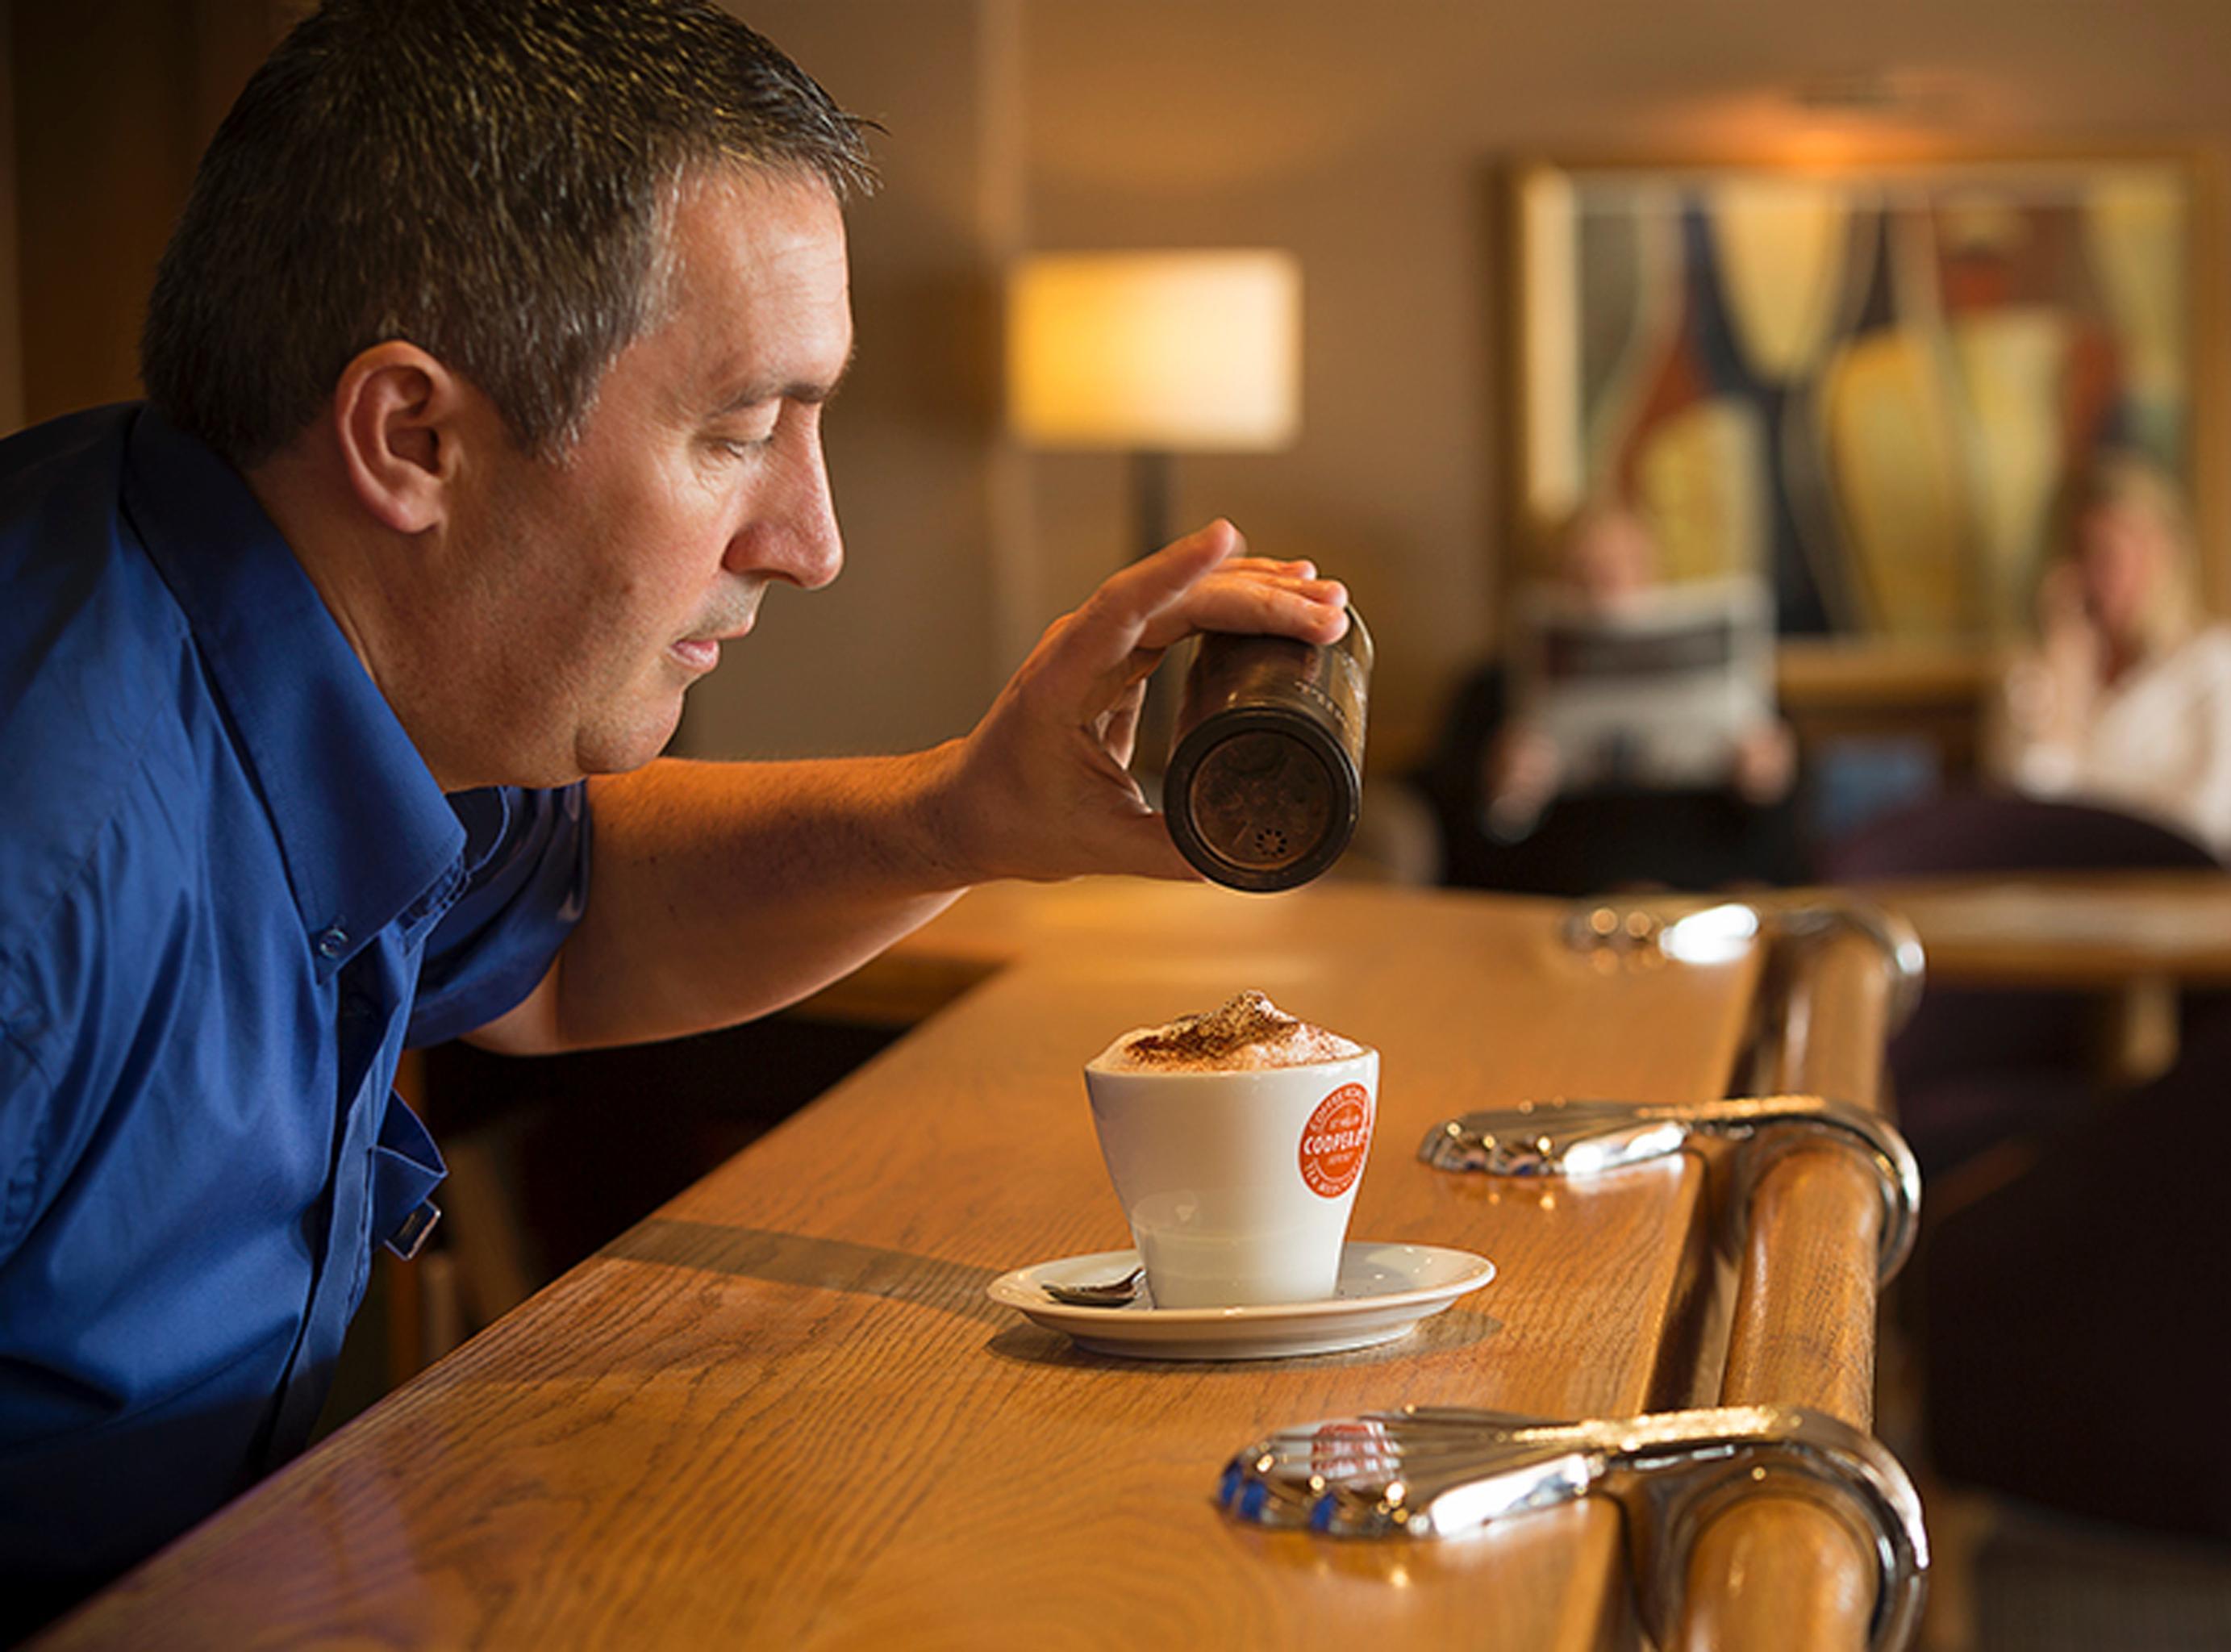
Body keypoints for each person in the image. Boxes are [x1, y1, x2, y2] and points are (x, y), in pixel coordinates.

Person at [0, 0, 1349, 1628]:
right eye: (736, 432)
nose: (809, 539)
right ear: (412, 436)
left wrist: (971, 812)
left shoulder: (278, 647)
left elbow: (571, 934)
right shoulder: (42, 874)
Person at [1412, 504, 1805, 897]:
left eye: (1628, 567)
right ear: (1552, 581)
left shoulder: (1738, 687)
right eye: (1584, 572)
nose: (1608, 589)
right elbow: (1455, 849)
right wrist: (1505, 799)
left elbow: (1783, 844)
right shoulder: (1489, 693)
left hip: (1702, 896)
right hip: (1556, 900)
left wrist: (1765, 785)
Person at [1986, 453, 2231, 861]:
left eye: (2120, 552)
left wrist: (2096, 832)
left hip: (2189, 892)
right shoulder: (2030, 673)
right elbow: (2019, 815)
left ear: (2168, 555)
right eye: (2090, 553)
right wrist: (2066, 681)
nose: (2108, 574)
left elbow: (2217, 819)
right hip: (2066, 893)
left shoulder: (2220, 657)